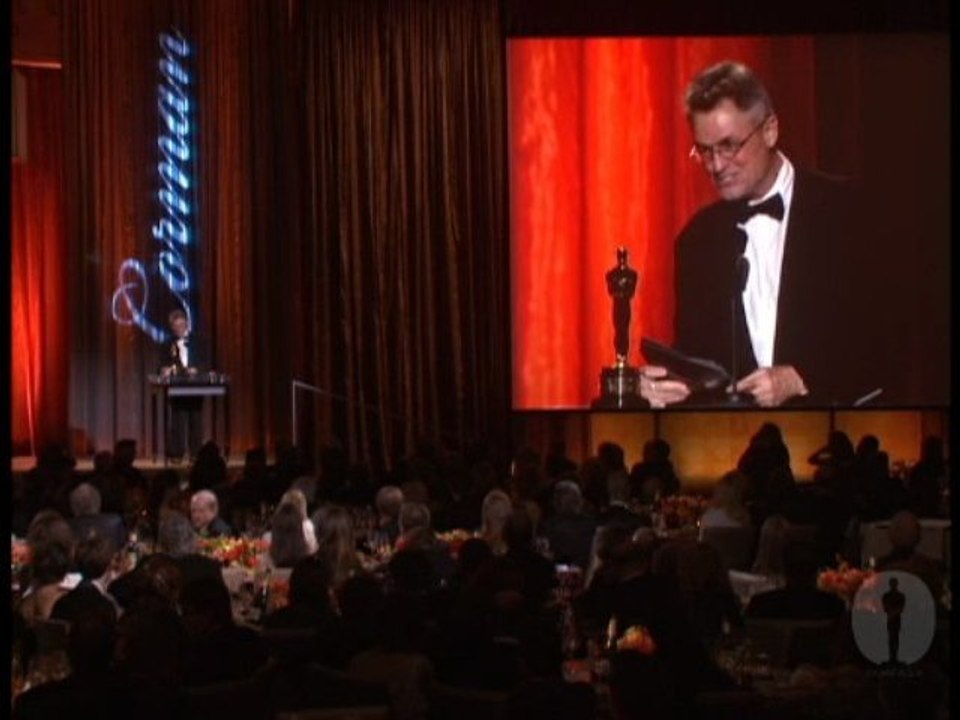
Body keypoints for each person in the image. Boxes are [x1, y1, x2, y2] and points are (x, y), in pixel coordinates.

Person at [640, 60, 881, 408]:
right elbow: (700, 362)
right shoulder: (696, 242)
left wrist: (801, 378)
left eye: (729, 146)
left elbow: (886, 341)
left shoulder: (848, 211)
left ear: (770, 130)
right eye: (704, 151)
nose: (716, 166)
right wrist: (671, 385)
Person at [159, 308, 204, 462]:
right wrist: (164, 370)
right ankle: (177, 454)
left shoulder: (198, 341)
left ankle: (195, 454)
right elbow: (161, 364)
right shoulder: (167, 343)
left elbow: (206, 361)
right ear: (172, 327)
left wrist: (197, 369)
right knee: (177, 420)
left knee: (195, 419)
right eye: (176, 327)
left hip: (196, 386)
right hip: (177, 386)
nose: (179, 329)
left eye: (182, 326)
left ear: (186, 324)